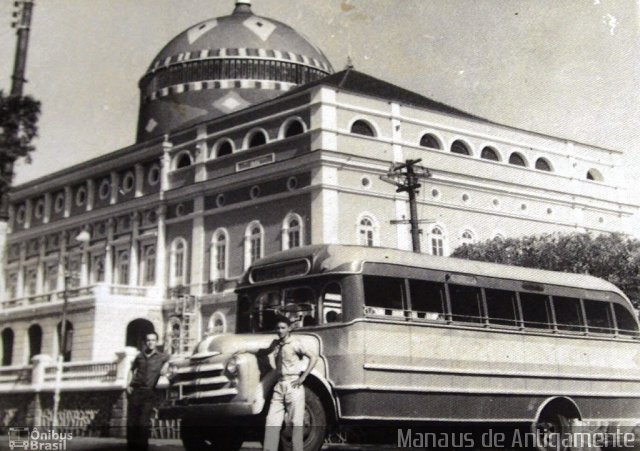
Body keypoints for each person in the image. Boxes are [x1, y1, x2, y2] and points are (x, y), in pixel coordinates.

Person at [239, 315, 317, 451]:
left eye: (283, 328)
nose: (280, 330)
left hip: (293, 385)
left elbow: (313, 357)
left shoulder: (295, 343)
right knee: (271, 422)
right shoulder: (276, 344)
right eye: (278, 328)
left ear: (289, 329)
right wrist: (245, 350)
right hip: (279, 385)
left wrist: (303, 377)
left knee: (295, 423)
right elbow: (264, 351)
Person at [126, 331, 169, 451]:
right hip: (135, 391)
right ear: (145, 342)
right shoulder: (139, 356)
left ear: (156, 342)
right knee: (132, 422)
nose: (151, 342)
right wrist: (128, 384)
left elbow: (171, 360)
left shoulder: (161, 357)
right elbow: (131, 370)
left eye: (153, 340)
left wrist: (166, 365)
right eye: (148, 340)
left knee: (143, 423)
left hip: (149, 393)